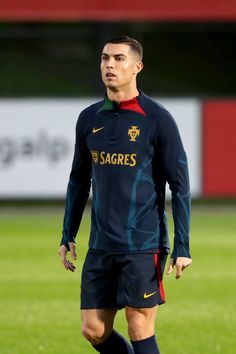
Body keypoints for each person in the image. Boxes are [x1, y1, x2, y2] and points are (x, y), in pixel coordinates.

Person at [58, 35, 192, 354]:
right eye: (105, 58)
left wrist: (182, 246)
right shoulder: (89, 118)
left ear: (137, 67)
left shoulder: (157, 119)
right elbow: (78, 179)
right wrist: (68, 233)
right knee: (94, 330)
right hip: (101, 243)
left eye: (119, 58)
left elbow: (180, 185)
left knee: (138, 324)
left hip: (142, 244)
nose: (109, 64)